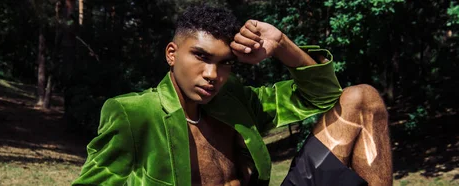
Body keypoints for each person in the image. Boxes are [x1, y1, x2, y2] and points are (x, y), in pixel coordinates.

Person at [72, 4, 392, 186]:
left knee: (363, 99)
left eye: (225, 63)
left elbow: (320, 98)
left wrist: (282, 46)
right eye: (201, 56)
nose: (213, 75)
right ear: (172, 53)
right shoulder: (134, 114)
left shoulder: (232, 100)